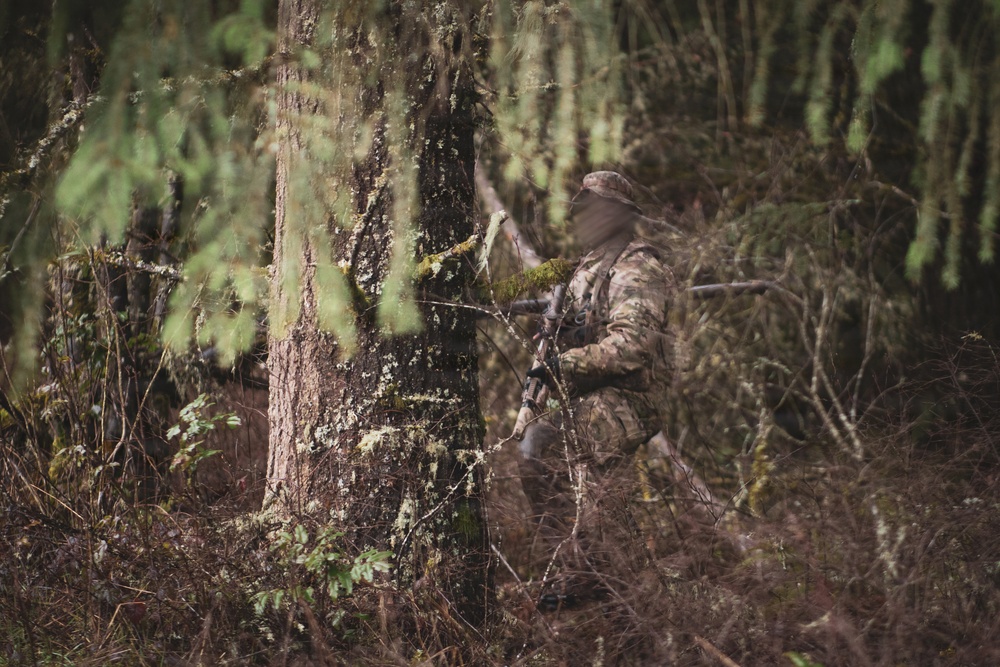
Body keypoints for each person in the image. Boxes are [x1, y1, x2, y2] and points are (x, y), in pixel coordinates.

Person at [517, 170, 674, 607]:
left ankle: (596, 577)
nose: (587, 219)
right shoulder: (586, 268)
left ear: (621, 216)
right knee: (531, 452)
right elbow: (573, 334)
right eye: (582, 211)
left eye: (597, 210)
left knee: (556, 448)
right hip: (591, 391)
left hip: (632, 395)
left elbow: (633, 345)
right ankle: (585, 572)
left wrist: (563, 362)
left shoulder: (638, 267)